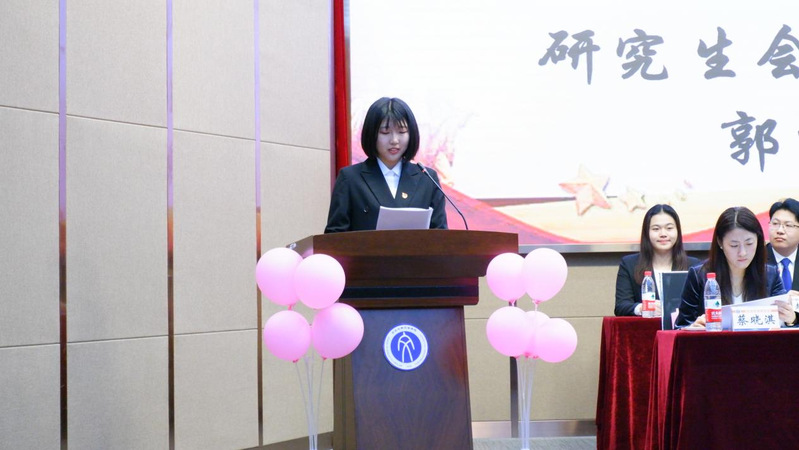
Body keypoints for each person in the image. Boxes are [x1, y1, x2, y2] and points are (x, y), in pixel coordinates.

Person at [324, 97, 447, 233]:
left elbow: (441, 236)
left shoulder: (427, 179)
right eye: (385, 132)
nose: (394, 140)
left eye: (402, 132)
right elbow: (334, 236)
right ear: (371, 134)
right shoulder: (350, 178)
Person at [674, 206, 795, 328]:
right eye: (734, 245)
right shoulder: (699, 275)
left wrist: (791, 319)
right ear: (720, 242)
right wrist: (692, 327)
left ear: (758, 241)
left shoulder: (770, 274)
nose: (742, 252)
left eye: (749, 243)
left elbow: (784, 323)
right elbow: (681, 326)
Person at [615, 204, 700, 316]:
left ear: (677, 231)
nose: (663, 234)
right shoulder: (629, 264)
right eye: (656, 229)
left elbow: (702, 306)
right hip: (645, 327)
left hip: (680, 327)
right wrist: (642, 308)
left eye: (669, 228)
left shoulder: (694, 266)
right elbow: (621, 306)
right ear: (646, 233)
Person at [766, 198, 799, 326]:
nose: (780, 230)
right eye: (775, 223)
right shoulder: (756, 260)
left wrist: (793, 320)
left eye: (788, 225)